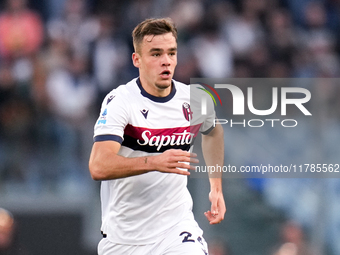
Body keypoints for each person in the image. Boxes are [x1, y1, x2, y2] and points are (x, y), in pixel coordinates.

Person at [89, 17, 226, 255]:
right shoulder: (121, 101)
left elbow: (214, 133)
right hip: (124, 239)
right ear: (137, 60)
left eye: (171, 53)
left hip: (176, 229)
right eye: (155, 54)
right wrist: (155, 162)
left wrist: (216, 187)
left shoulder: (195, 99)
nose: (166, 61)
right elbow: (98, 166)